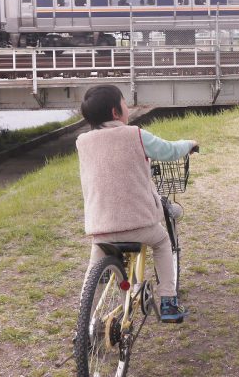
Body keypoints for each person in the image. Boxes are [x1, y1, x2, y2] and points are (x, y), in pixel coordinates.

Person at [76, 84, 198, 323]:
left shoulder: (82, 142)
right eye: (124, 102)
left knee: (94, 273)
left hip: (101, 228)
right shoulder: (136, 135)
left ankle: (84, 324)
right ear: (115, 112)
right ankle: (168, 302)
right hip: (139, 224)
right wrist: (189, 144)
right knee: (162, 243)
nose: (126, 107)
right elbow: (170, 150)